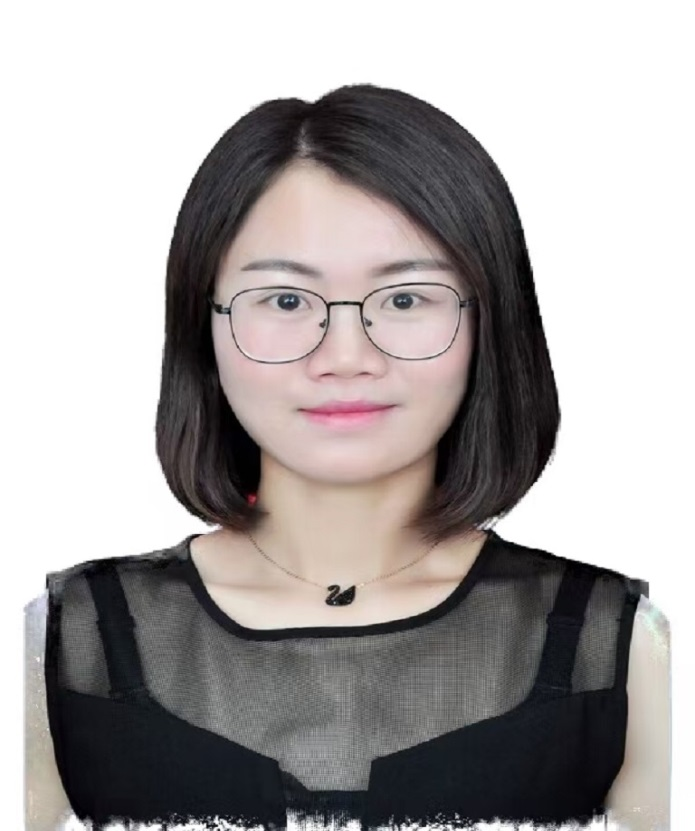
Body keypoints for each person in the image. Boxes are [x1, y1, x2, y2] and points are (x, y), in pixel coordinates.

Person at [25, 83, 670, 831]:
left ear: (489, 325)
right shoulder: (55, 649)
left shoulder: (631, 651)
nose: (344, 355)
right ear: (202, 328)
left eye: (404, 299)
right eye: (285, 300)